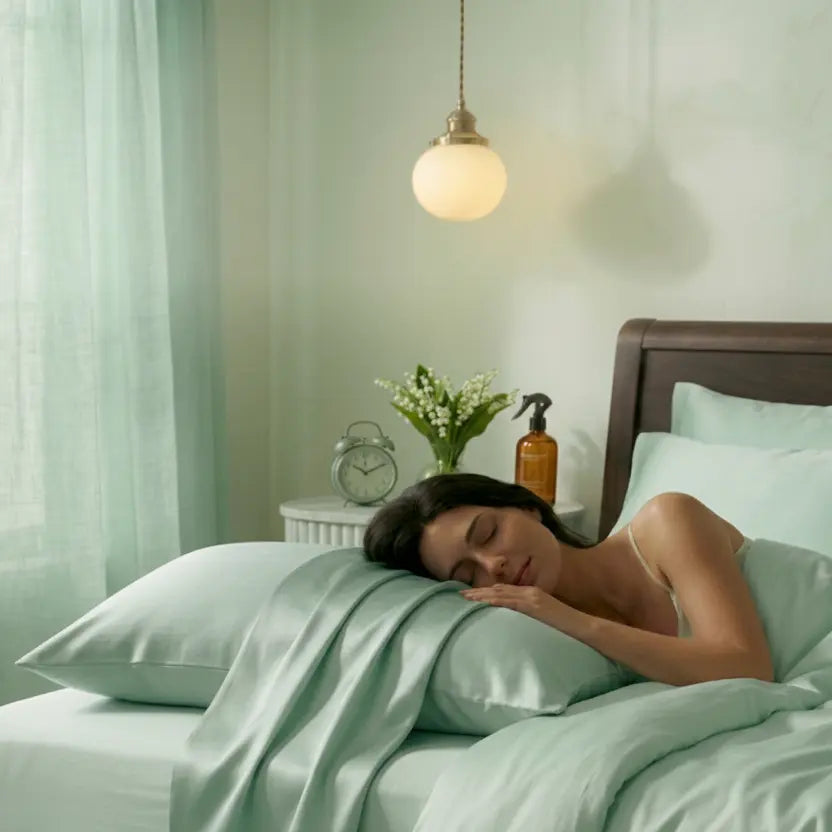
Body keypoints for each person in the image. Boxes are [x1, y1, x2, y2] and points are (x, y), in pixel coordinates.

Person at [363, 473, 773, 687]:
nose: (494, 565)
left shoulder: (667, 521)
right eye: (469, 574)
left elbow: (747, 667)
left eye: (488, 534)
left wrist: (577, 622)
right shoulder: (543, 636)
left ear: (526, 507)